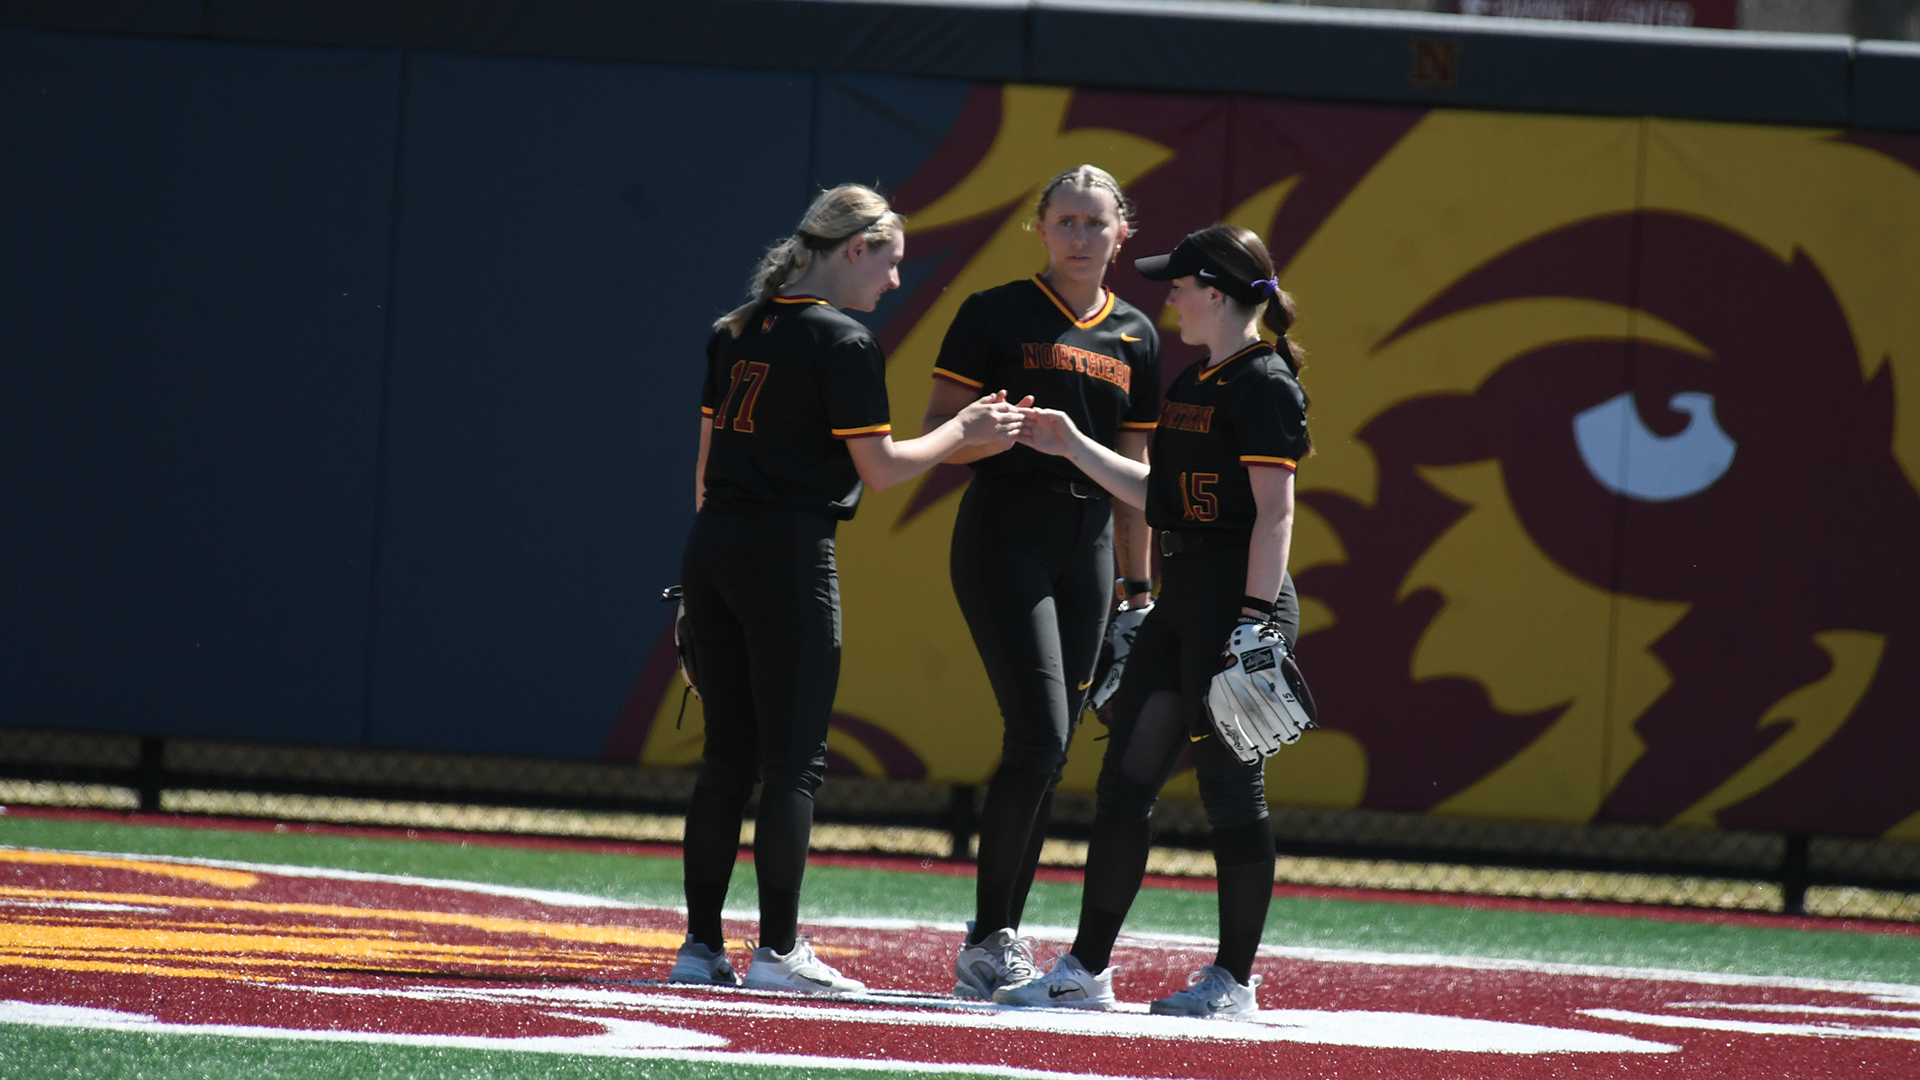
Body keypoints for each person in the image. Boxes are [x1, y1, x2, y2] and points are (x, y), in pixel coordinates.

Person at [670, 184, 1023, 995]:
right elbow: (884, 470)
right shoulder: (842, 340)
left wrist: (697, 583)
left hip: (713, 545)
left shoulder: (736, 329)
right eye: (890, 262)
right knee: (793, 763)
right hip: (787, 551)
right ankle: (779, 951)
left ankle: (699, 948)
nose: (896, 282)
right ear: (854, 249)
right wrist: (963, 432)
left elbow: (704, 466)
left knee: (726, 758)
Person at [995, 224, 1311, 1019]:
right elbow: (1159, 496)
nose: (1167, 292)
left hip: (1237, 606)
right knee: (1123, 784)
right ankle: (1087, 969)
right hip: (1184, 604)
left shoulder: (1265, 382)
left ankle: (1234, 982)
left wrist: (1251, 621)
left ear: (1217, 291)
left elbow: (1276, 515)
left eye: (1180, 282)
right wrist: (1070, 446)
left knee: (1230, 791)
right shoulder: (1194, 382)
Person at [919, 165, 1161, 1000]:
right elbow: (939, 440)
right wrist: (1001, 430)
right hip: (1005, 532)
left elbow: (1139, 479)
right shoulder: (994, 312)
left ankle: (998, 936)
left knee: (1052, 751)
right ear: (1040, 227)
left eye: (1097, 223)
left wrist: (1140, 591)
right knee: (1037, 734)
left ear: (1122, 232)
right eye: (1067, 220)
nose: (1082, 236)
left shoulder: (1137, 334)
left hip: (1092, 544)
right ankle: (989, 940)